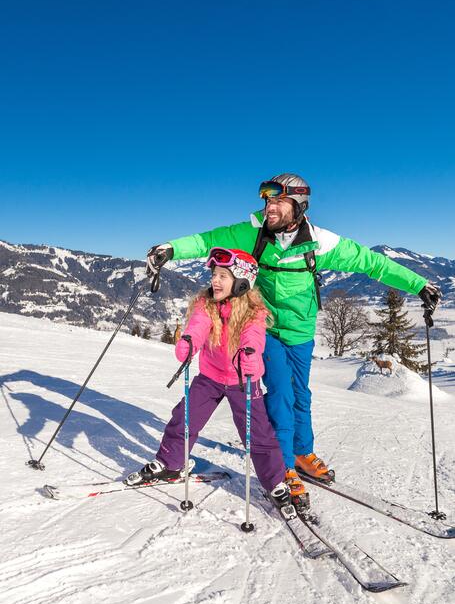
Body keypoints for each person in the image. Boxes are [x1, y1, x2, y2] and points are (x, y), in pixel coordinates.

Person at [144, 173, 441, 483]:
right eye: (268, 201)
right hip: (265, 328)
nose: (270, 207)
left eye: (279, 201)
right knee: (281, 394)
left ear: (299, 205)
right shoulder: (253, 233)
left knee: (301, 395)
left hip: (301, 331)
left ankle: (301, 452)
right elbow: (205, 241)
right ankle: (282, 467)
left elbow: (373, 263)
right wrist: (169, 250)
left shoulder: (322, 243)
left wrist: (419, 285)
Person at [127, 247, 308, 510]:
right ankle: (170, 462)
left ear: (242, 281)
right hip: (210, 377)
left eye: (223, 275)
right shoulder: (206, 304)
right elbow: (199, 326)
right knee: (185, 417)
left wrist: (250, 353)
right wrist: (190, 342)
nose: (215, 280)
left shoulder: (253, 311)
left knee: (258, 434)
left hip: (243, 380)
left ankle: (275, 482)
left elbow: (253, 336)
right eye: (214, 274)